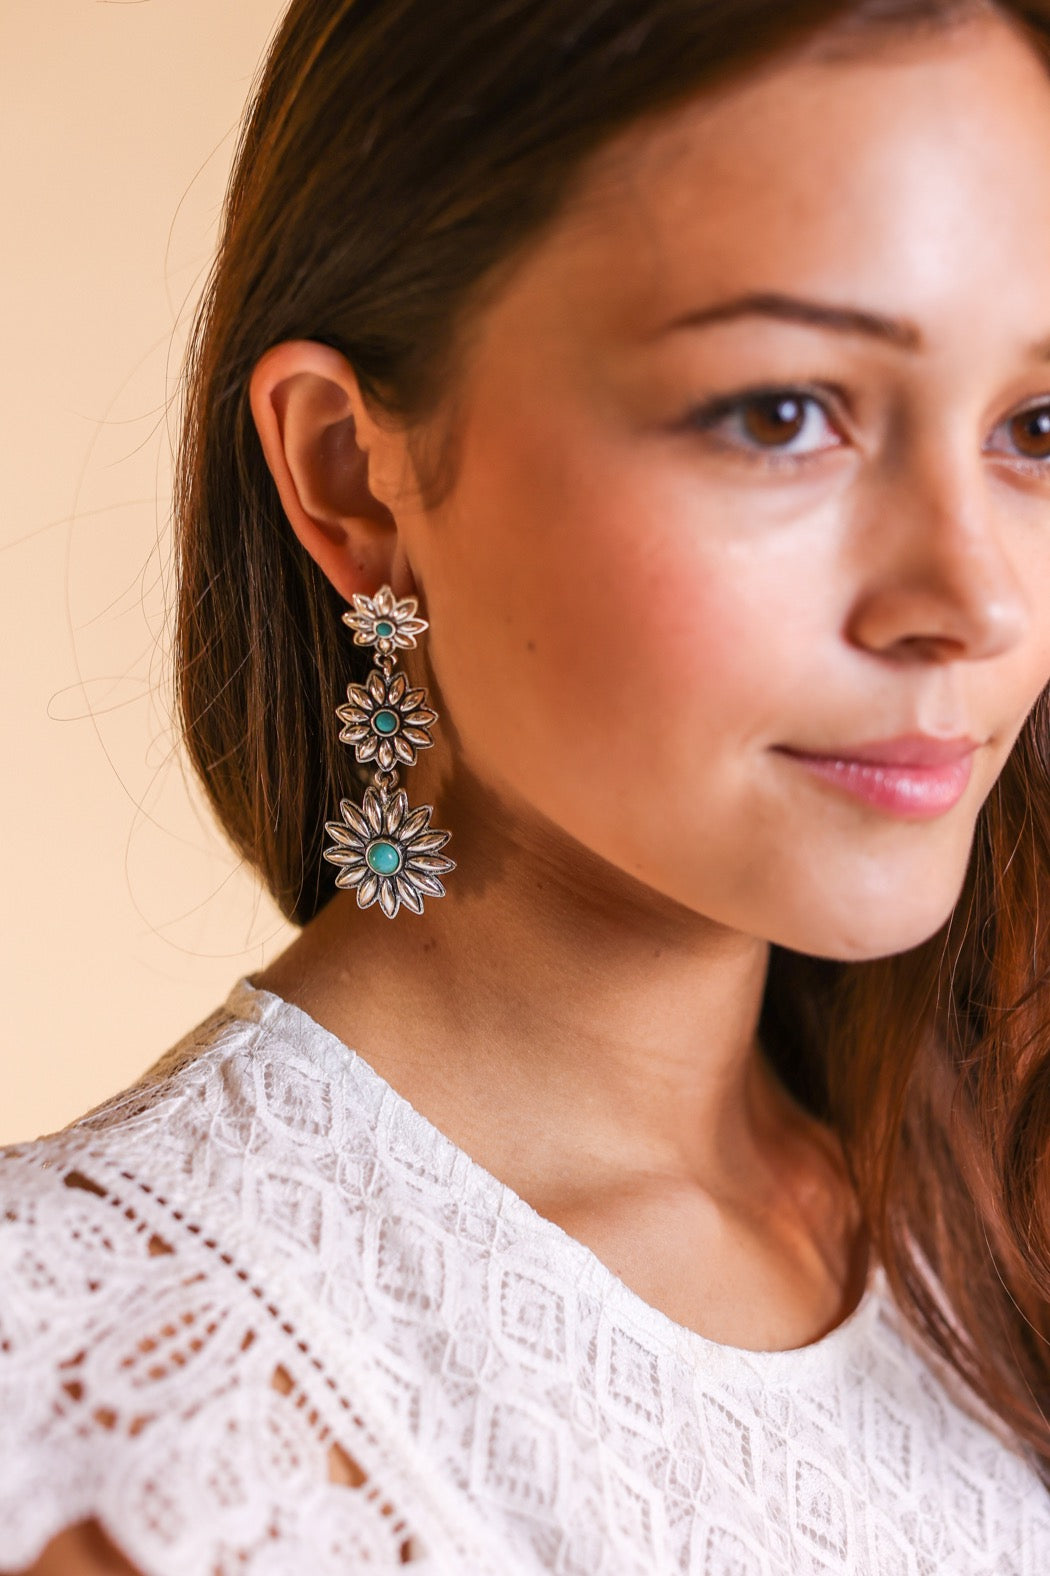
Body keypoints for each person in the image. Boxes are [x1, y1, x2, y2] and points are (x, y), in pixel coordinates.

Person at [4, 0, 1050, 1569]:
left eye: (1037, 426)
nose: (971, 600)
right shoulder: (110, 1396)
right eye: (780, 415)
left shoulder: (991, 1202)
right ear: (351, 474)